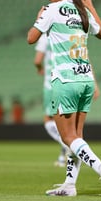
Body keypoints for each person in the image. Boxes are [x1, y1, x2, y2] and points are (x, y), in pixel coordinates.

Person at [27, 0, 101, 197]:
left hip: (65, 81)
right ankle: (69, 184)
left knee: (68, 137)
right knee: (76, 137)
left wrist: (39, 16)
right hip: (86, 79)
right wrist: (91, 6)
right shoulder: (82, 9)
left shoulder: (51, 10)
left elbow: (31, 38)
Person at [34, 34, 69, 167]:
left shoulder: (45, 37)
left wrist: (40, 69)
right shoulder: (63, 33)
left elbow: (37, 60)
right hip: (66, 81)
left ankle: (70, 146)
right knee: (65, 121)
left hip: (51, 84)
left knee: (49, 120)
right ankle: (63, 156)